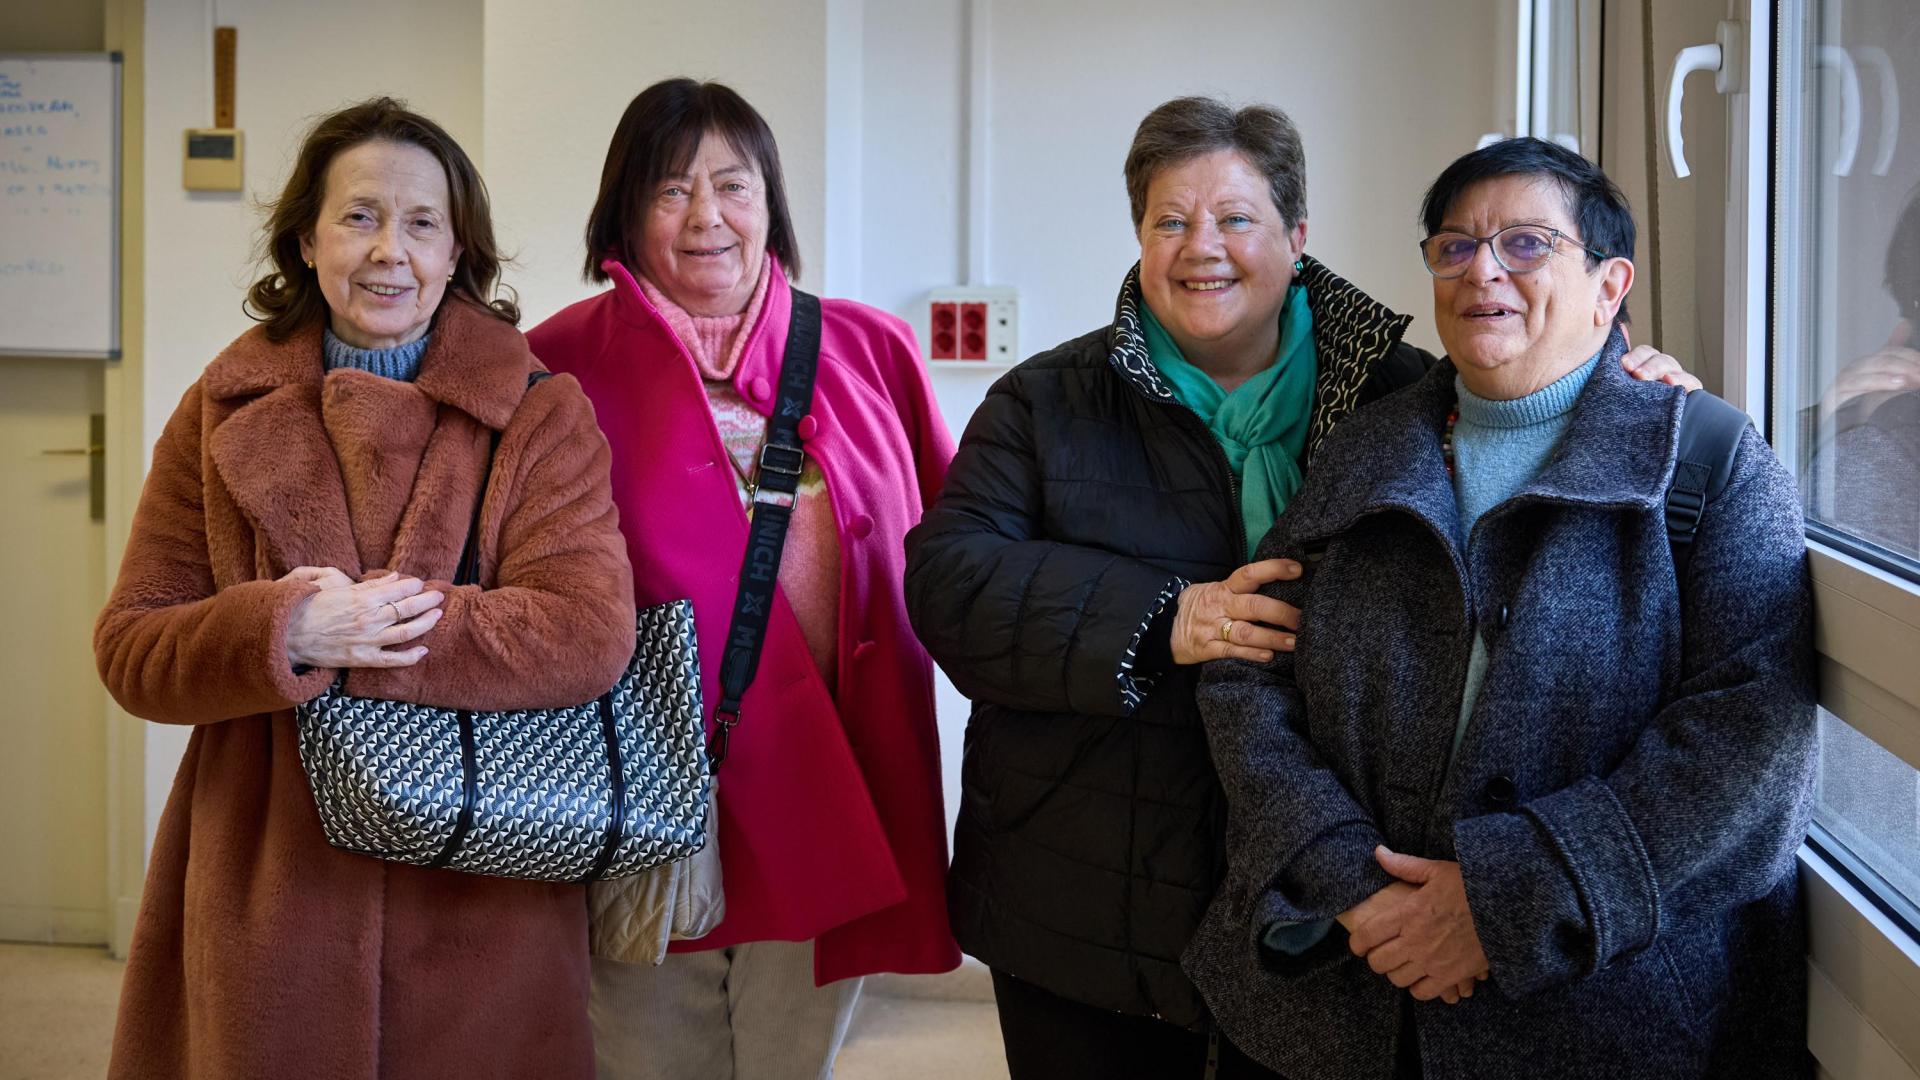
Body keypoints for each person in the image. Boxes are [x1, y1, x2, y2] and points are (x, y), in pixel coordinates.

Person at [903, 97, 1698, 1079]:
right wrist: (1165, 617)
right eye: (1170, 221)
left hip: (1317, 912)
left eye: (1236, 218)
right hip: (1085, 893)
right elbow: (950, 584)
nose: (1204, 248)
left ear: (1296, 235)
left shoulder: (1401, 395)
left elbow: (1534, 386)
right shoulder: (1044, 401)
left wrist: (1623, 373)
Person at [1184, 137, 1816, 1079]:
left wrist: (1505, 904)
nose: (1483, 270)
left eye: (1526, 244)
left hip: (1601, 1017)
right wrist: (1354, 879)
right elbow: (1247, 674)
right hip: (1341, 992)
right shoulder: (1367, 449)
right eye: (1455, 246)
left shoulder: (1708, 464)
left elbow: (1749, 750)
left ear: (1610, 287)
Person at [93, 98, 636, 1079]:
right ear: (305, 238)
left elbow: (588, 631)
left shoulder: (538, 410)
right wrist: (290, 628)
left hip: (483, 877)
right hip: (269, 887)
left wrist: (369, 634)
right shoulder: (218, 412)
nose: (391, 250)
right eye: (359, 216)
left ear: (457, 246)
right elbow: (134, 650)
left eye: (422, 223)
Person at [526, 77, 959, 1080]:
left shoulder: (869, 350)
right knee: (649, 1055)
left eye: (734, 184)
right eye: (671, 190)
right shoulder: (552, 363)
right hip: (640, 793)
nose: (707, 216)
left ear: (771, 202)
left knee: (787, 1061)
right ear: (625, 213)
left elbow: (957, 550)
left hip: (829, 782)